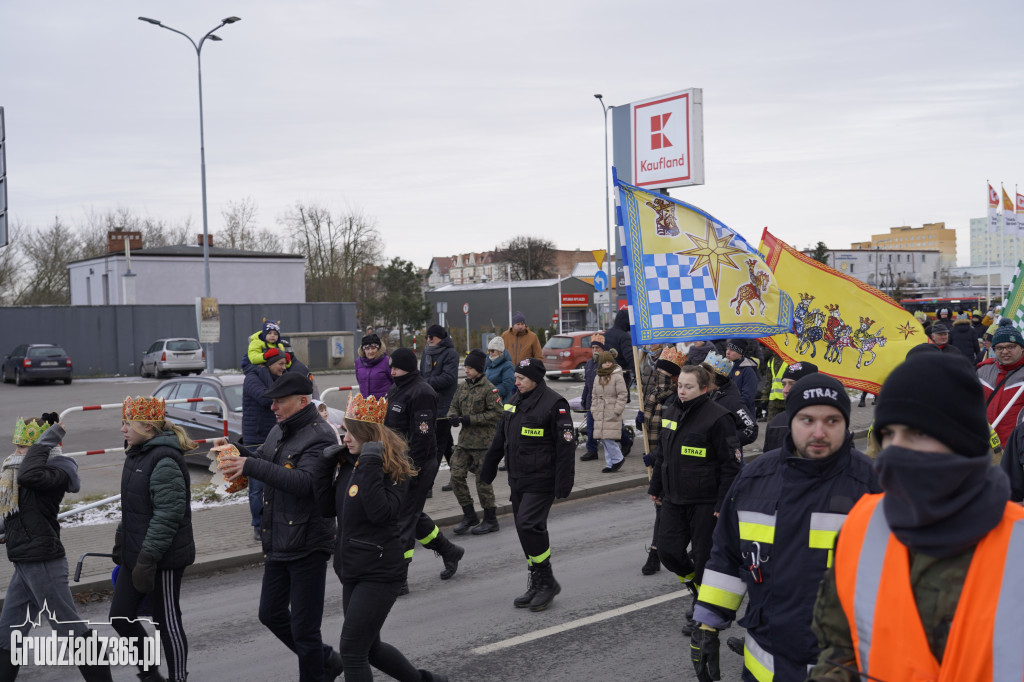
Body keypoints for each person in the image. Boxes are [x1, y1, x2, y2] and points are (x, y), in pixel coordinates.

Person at [807, 353, 1017, 682]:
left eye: (916, 433)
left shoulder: (1017, 541)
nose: (895, 450)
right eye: (888, 434)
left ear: (960, 438)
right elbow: (839, 649)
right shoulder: (862, 525)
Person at [690, 375, 881, 682]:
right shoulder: (754, 479)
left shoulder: (874, 487)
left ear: (846, 424)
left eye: (832, 420)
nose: (819, 432)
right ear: (791, 421)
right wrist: (707, 625)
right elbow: (727, 556)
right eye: (807, 419)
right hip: (764, 666)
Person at [218, 373, 342, 682]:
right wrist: (234, 452)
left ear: (303, 401)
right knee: (270, 613)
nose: (273, 407)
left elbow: (306, 483)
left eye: (279, 401)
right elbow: (264, 459)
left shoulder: (321, 435)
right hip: (279, 539)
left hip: (309, 541)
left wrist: (252, 466)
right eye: (272, 401)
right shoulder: (280, 429)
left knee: (304, 629)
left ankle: (317, 670)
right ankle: (327, 660)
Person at [316, 394, 448, 682]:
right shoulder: (350, 463)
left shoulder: (393, 467)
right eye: (345, 430)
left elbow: (381, 513)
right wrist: (323, 473)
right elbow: (328, 509)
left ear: (368, 435)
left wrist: (372, 464)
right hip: (351, 567)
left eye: (351, 431)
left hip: (380, 571)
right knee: (370, 648)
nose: (344, 436)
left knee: (351, 650)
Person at [0, 416, 112, 681]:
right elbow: (16, 516)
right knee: (8, 632)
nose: (15, 453)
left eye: (22, 448)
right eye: (16, 446)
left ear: (44, 446)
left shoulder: (57, 471)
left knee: (70, 628)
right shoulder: (21, 471)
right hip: (24, 562)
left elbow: (30, 474)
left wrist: (47, 439)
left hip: (43, 562)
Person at [647, 365, 741, 635]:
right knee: (668, 552)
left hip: (705, 502)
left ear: (704, 389)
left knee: (703, 559)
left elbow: (731, 466)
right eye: (680, 386)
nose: (682, 391)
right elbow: (663, 453)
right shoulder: (672, 410)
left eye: (689, 387)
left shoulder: (719, 418)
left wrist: (723, 503)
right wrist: (656, 485)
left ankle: (703, 607)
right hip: (674, 498)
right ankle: (696, 589)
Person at [109, 396, 195, 682]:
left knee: (166, 621)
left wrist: (148, 557)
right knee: (120, 616)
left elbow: (168, 514)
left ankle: (178, 677)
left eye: (127, 423)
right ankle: (150, 674)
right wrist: (122, 539)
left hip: (163, 557)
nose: (122, 429)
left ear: (147, 426)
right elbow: (135, 505)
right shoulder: (136, 453)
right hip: (137, 552)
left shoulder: (165, 459)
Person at [480, 358, 575, 612]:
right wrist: (487, 469)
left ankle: (547, 581)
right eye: (517, 378)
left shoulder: (555, 404)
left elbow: (566, 448)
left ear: (534, 378)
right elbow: (500, 438)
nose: (517, 381)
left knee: (528, 524)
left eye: (521, 378)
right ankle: (538, 580)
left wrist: (564, 483)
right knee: (525, 530)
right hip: (518, 479)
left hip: (542, 478)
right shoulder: (513, 402)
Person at [385, 348, 464, 594]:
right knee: (411, 514)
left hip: (416, 464)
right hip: (398, 461)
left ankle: (399, 577)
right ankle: (450, 551)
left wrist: (409, 469)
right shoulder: (397, 388)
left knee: (404, 519)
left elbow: (421, 439)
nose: (391, 371)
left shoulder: (422, 393)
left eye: (395, 367)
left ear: (406, 367)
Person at [636, 346, 684, 576]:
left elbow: (671, 435)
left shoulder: (675, 400)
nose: (658, 377)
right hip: (657, 458)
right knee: (660, 506)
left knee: (663, 507)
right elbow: (653, 425)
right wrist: (642, 419)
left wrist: (655, 455)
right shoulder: (654, 395)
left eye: (663, 374)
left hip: (669, 460)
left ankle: (657, 552)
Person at [447, 350, 503, 535]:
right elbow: (453, 405)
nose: (467, 370)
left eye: (470, 367)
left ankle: (490, 520)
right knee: (456, 477)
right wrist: (452, 416)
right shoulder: (462, 387)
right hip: (464, 442)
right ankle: (469, 514)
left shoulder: (489, 388)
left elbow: (497, 413)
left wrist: (472, 419)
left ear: (479, 369)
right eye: (466, 367)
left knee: (483, 483)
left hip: (484, 444)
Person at [242, 347, 290, 541]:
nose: (284, 368)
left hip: (276, 435)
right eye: (280, 364)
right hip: (256, 438)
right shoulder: (253, 378)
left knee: (278, 481)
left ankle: (275, 522)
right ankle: (258, 525)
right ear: (270, 365)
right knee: (257, 487)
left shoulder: (277, 378)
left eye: (285, 364)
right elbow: (264, 399)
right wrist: (288, 393)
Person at [700, 352, 758, 450]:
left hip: (728, 457)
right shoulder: (712, 394)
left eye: (705, 378)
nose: (701, 381)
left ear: (714, 379)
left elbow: (751, 429)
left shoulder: (732, 401)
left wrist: (724, 441)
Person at [420, 325, 459, 471]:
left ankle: (426, 485)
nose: (428, 339)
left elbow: (448, 378)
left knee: (436, 447)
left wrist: (423, 383)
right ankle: (458, 474)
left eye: (432, 337)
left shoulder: (451, 354)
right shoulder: (426, 353)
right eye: (427, 336)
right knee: (446, 443)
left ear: (441, 338)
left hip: (444, 406)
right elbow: (421, 373)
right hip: (429, 403)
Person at [978, 324, 1024, 447]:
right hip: (987, 445)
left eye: (1011, 346)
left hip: (1016, 447)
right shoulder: (983, 371)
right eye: (999, 348)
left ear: (1022, 348)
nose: (1005, 351)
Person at [761, 361, 819, 453]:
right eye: (784, 384)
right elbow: (768, 462)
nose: (785, 390)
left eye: (792, 384)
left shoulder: (828, 422)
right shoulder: (776, 422)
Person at [591, 349, 629, 473]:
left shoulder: (617, 377)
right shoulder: (598, 377)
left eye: (609, 361)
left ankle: (618, 459)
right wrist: (594, 409)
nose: (607, 364)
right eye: (605, 362)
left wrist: (617, 410)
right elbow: (594, 395)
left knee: (608, 438)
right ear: (600, 363)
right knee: (603, 437)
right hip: (600, 411)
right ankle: (610, 463)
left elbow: (622, 394)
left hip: (611, 410)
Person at [578, 334, 606, 463]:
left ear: (602, 349)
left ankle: (625, 441)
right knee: (591, 427)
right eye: (593, 347)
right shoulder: (589, 363)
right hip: (591, 401)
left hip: (603, 401)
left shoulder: (607, 362)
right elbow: (587, 384)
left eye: (597, 347)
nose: (595, 350)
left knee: (608, 428)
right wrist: (584, 399)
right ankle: (592, 450)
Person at [725, 339, 759, 417]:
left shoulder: (748, 370)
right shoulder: (726, 367)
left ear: (740, 353)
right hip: (726, 414)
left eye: (732, 350)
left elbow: (748, 397)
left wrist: (731, 406)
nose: (727, 352)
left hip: (742, 415)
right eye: (727, 349)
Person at [355, 333, 393, 400]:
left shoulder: (387, 361)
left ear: (378, 348)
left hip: (383, 403)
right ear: (363, 350)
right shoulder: (358, 362)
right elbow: (360, 381)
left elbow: (394, 383)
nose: (370, 351)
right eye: (367, 348)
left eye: (373, 348)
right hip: (365, 404)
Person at [603, 308, 635, 383]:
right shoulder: (624, 336)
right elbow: (629, 356)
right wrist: (637, 373)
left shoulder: (606, 334)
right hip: (621, 373)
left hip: (606, 372)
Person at [484, 336, 515, 403]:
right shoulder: (488, 364)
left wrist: (491, 392)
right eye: (489, 351)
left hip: (503, 402)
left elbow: (507, 385)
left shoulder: (507, 365)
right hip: (489, 400)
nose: (490, 353)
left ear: (499, 351)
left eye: (492, 351)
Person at [761, 349, 788, 423]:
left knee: (786, 427)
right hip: (774, 399)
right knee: (772, 426)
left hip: (787, 398)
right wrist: (765, 397)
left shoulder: (789, 359)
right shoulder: (772, 360)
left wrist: (765, 397)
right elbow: (769, 381)